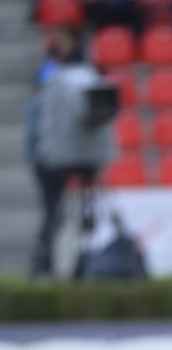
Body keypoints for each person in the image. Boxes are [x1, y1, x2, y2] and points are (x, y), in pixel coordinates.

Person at [29, 27, 116, 275]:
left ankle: (82, 264)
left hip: (76, 152)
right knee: (54, 214)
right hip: (49, 156)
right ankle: (44, 261)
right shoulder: (50, 70)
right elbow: (46, 94)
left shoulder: (85, 71)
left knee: (79, 216)